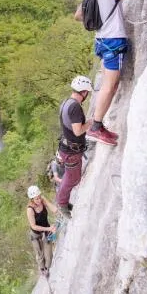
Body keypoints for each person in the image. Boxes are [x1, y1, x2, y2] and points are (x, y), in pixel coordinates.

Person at [75, 0, 141, 146]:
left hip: (101, 39)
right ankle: (96, 127)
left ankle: (98, 125)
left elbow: (79, 15)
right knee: (109, 86)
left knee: (106, 84)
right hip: (112, 40)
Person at [56, 75, 93, 218]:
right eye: (87, 93)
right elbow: (78, 131)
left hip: (67, 148)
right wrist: (90, 122)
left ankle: (62, 200)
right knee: (72, 179)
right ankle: (62, 203)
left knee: (71, 177)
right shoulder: (75, 107)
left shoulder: (66, 103)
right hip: (71, 151)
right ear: (84, 92)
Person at [26, 185, 57, 277]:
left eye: (39, 197)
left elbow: (53, 209)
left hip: (47, 229)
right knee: (39, 254)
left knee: (49, 254)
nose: (39, 200)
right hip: (36, 234)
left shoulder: (42, 200)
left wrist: (59, 211)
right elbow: (34, 226)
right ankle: (42, 268)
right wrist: (49, 228)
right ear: (32, 199)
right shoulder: (30, 210)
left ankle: (47, 269)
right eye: (36, 199)